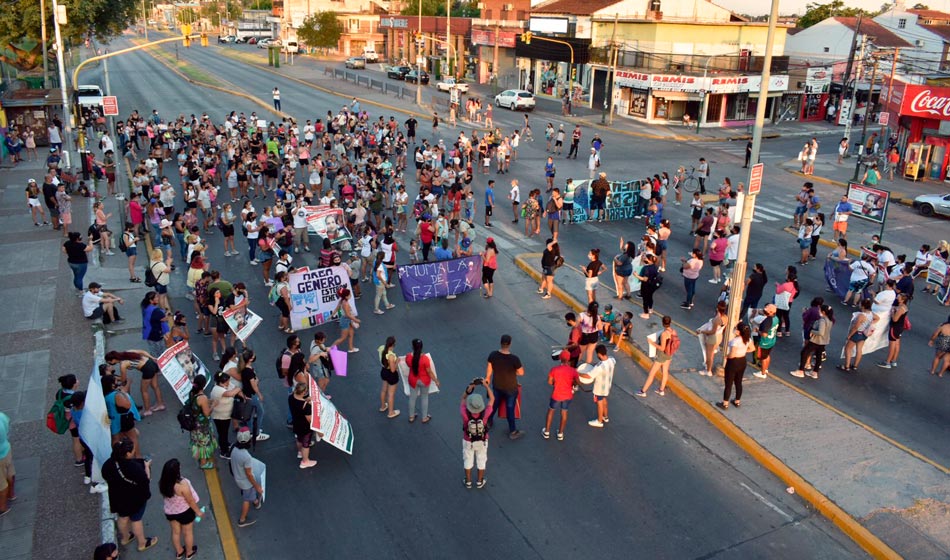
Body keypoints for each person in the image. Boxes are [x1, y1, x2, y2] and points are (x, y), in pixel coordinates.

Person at [101, 438, 158, 552]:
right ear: (127, 453)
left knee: (123, 517)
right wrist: (146, 466)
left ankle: (125, 537)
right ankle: (142, 543)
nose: (134, 451)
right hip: (134, 498)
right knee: (136, 519)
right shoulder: (134, 468)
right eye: (132, 450)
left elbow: (105, 474)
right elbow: (145, 480)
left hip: (118, 497)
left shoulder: (109, 463)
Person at [159, 458, 203, 560]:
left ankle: (179, 552)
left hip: (170, 512)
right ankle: (189, 552)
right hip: (185, 513)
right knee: (187, 532)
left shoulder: (163, 482)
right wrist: (198, 511)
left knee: (175, 532)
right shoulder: (183, 485)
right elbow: (190, 501)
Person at [485, 334, 525, 440]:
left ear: (501, 343)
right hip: (511, 388)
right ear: (510, 344)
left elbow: (489, 368)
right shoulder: (514, 359)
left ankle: (488, 421)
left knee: (494, 404)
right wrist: (512, 371)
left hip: (497, 385)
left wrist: (487, 378)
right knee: (510, 409)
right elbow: (521, 372)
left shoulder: (493, 355)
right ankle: (512, 431)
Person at [460, 379, 494, 489]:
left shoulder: (464, 412)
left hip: (468, 440)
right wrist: (486, 386)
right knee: (481, 459)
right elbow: (492, 399)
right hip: (482, 439)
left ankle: (468, 481)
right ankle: (480, 481)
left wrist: (469, 389)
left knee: (467, 459)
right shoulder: (485, 413)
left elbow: (463, 398)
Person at [229, 427, 264, 528]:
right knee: (246, 499)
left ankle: (256, 502)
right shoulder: (246, 456)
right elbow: (249, 474)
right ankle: (242, 520)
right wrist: (257, 486)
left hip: (237, 477)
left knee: (248, 493)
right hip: (245, 482)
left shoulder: (234, 448)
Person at [542, 350, 579, 441]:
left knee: (551, 411)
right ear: (569, 359)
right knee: (564, 412)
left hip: (556, 394)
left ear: (560, 358)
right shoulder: (573, 371)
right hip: (568, 395)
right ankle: (560, 433)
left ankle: (546, 432)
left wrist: (556, 383)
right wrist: (572, 383)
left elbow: (549, 382)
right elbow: (578, 383)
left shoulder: (554, 369)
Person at [790, 305, 835, 379]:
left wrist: (812, 331)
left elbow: (820, 332)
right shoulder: (829, 320)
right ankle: (815, 372)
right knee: (818, 356)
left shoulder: (822, 320)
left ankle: (800, 370)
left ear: (823, 312)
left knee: (804, 352)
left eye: (820, 310)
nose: (818, 311)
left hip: (816, 340)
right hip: (823, 341)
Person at [717, 323, 754, 410]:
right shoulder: (748, 339)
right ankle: (737, 401)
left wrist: (726, 356)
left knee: (728, 384)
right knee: (738, 382)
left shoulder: (735, 341)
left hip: (733, 362)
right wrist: (743, 351)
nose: (734, 329)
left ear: (738, 331)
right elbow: (752, 349)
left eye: (735, 328)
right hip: (742, 361)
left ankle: (725, 403)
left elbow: (732, 354)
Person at [637, 316, 675, 397]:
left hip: (662, 355)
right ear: (670, 322)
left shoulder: (664, 334)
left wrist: (651, 342)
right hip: (669, 354)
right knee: (665, 372)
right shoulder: (673, 331)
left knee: (652, 374)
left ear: (662, 323)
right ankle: (661, 390)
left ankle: (643, 391)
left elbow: (662, 348)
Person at [405, 339, 440, 423]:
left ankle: (411, 416)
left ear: (412, 347)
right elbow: (429, 372)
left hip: (413, 380)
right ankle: (424, 417)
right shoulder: (425, 359)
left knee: (412, 398)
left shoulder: (408, 357)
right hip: (424, 381)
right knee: (424, 397)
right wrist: (436, 381)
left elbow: (409, 364)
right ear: (422, 347)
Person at [580, 344, 615, 428]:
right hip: (607, 386)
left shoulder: (599, 368)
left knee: (599, 403)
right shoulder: (612, 360)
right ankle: (605, 416)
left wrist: (578, 373)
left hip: (599, 389)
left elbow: (589, 376)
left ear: (599, 354)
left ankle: (599, 421)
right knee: (604, 400)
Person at [209, 371, 241, 459]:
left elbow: (233, 387)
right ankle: (224, 452)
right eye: (226, 381)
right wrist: (238, 388)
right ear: (220, 382)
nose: (228, 383)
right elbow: (231, 393)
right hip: (220, 417)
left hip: (225, 415)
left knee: (224, 433)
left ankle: (225, 444)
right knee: (223, 433)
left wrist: (235, 388)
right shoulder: (218, 390)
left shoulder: (224, 385)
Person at [187, 375, 217, 469]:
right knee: (203, 444)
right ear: (203, 385)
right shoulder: (202, 397)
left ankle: (202, 460)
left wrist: (208, 401)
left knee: (197, 442)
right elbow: (207, 413)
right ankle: (203, 463)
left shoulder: (192, 393)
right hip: (202, 425)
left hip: (194, 423)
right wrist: (213, 405)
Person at [838, 300, 875, 372]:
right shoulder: (871, 314)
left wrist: (849, 335)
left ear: (863, 306)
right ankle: (855, 366)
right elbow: (877, 318)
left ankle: (846, 366)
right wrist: (871, 323)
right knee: (859, 349)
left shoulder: (861, 315)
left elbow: (856, 327)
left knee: (848, 349)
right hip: (864, 334)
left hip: (857, 333)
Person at [289, 382, 318, 469]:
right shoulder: (306, 407)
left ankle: (300, 452)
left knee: (299, 439)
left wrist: (306, 400)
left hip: (296, 423)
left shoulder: (291, 397)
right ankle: (305, 461)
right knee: (306, 443)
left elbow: (299, 401)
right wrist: (318, 430)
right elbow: (310, 420)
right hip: (305, 427)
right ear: (303, 392)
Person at [878, 293, 909, 369]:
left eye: (899, 297)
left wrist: (892, 312)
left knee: (892, 346)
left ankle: (887, 362)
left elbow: (895, 319)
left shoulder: (900, 308)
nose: (897, 297)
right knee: (897, 344)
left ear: (902, 300)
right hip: (900, 328)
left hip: (895, 328)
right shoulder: (904, 307)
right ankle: (894, 361)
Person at [698, 301, 728, 378]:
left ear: (718, 308)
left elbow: (712, 331)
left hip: (713, 338)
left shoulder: (716, 319)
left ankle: (708, 370)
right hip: (719, 336)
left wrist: (702, 331)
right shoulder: (726, 318)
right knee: (711, 354)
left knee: (709, 355)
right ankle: (708, 368)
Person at [377, 336, 401, 419]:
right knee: (391, 394)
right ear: (393, 345)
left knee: (384, 390)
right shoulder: (391, 356)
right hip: (391, 375)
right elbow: (393, 370)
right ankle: (391, 412)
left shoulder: (381, 348)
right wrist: (397, 362)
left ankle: (383, 406)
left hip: (383, 371)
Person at [331, 288, 360, 352]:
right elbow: (348, 315)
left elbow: (336, 308)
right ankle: (330, 348)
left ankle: (351, 348)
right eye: (349, 294)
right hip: (345, 321)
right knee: (343, 338)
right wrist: (356, 320)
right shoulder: (345, 303)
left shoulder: (342, 300)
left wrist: (331, 315)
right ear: (346, 296)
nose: (350, 295)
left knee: (351, 334)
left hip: (347, 320)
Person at [0, 412, 13, 517]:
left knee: (1, 483)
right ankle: (11, 494)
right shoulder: (1, 416)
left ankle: (3, 508)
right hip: (6, 448)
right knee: (10, 472)